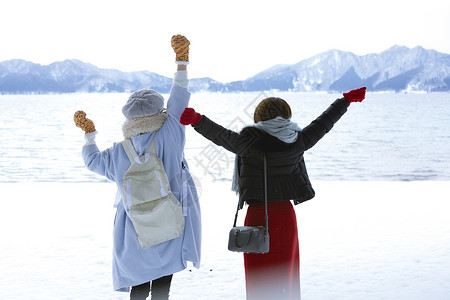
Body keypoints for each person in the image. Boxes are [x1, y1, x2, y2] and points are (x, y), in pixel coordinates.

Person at [179, 87, 366, 300]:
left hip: (259, 215)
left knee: (259, 276)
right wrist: (345, 100)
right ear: (286, 114)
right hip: (285, 215)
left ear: (259, 115)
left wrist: (197, 120)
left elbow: (223, 136)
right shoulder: (298, 140)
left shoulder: (248, 142)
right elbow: (323, 123)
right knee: (286, 274)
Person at [73, 35, 201, 300]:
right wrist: (181, 61)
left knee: (139, 285)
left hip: (134, 226)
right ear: (159, 110)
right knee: (163, 284)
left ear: (129, 116)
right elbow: (178, 97)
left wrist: (90, 136)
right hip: (171, 217)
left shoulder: (119, 151)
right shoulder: (170, 134)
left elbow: (92, 161)